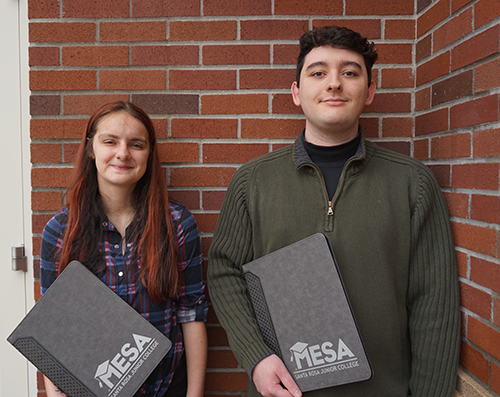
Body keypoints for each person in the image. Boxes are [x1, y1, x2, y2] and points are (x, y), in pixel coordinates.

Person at [207, 26, 460, 397]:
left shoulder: (413, 184)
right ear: (296, 92)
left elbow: (434, 305)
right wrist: (256, 357)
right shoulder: (252, 182)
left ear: (369, 91)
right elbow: (224, 272)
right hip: (284, 391)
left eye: (350, 72)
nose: (334, 84)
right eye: (318, 72)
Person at [40, 101, 208, 397]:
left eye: (136, 144)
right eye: (110, 141)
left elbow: (191, 316)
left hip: (165, 388)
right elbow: (54, 331)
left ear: (149, 154)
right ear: (91, 149)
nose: (123, 153)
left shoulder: (177, 224)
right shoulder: (61, 231)